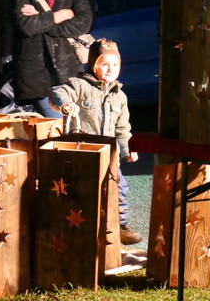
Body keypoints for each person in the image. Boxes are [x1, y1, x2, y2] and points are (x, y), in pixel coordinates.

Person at [51, 39, 142, 245]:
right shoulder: (80, 85)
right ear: (93, 65)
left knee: (118, 190)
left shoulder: (120, 97)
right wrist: (65, 104)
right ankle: (79, 229)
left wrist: (128, 149)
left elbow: (122, 129)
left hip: (109, 158)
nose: (110, 69)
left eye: (115, 65)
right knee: (81, 192)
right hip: (83, 154)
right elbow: (58, 92)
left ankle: (120, 227)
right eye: (104, 64)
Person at [6, 0, 94, 117]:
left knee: (71, 129)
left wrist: (42, 20)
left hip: (68, 66)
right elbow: (24, 25)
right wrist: (59, 15)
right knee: (56, 126)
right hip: (35, 70)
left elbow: (84, 21)